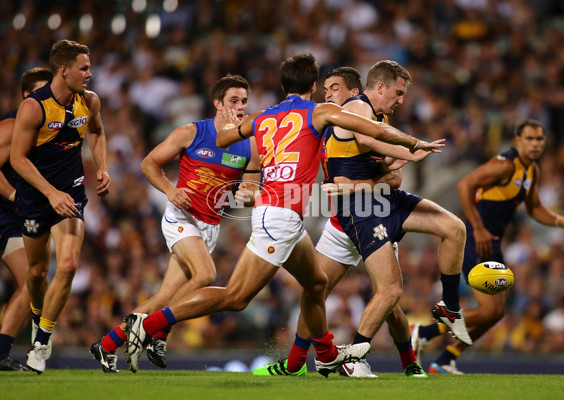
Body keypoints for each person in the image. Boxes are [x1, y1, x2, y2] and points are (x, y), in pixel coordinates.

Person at [123, 54, 442, 375]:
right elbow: (375, 130)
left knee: (316, 285)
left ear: (283, 85)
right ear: (314, 85)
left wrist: (257, 134)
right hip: (280, 215)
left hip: (282, 214)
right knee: (236, 296)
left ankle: (325, 353)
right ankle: (149, 323)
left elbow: (222, 139)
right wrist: (416, 143)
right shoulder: (320, 112)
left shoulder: (263, 117)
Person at [252, 65, 434, 378]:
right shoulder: (323, 124)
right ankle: (296, 364)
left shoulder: (373, 125)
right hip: (340, 224)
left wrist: (356, 184)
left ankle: (406, 362)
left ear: (354, 94)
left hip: (370, 215)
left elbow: (394, 177)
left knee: (388, 297)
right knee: (315, 292)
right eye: (325, 89)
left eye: (334, 88)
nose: (327, 94)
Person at [89, 74, 260, 373]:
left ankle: (105, 345)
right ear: (217, 103)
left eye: (244, 101)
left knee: (164, 298)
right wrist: (171, 189)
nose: (241, 106)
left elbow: (248, 195)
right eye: (234, 100)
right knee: (206, 274)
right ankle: (160, 333)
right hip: (181, 218)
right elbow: (148, 164)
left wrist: (246, 193)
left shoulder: (251, 146)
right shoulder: (191, 132)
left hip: (210, 226)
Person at [413, 119, 564, 374]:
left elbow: (535, 207)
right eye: (530, 139)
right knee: (490, 309)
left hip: (492, 242)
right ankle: (423, 332)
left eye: (539, 139)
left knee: (496, 312)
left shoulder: (531, 171)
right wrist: (479, 227)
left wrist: (562, 221)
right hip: (475, 239)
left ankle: (445, 358)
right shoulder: (504, 165)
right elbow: (464, 185)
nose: (535, 144)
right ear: (518, 140)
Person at [10, 40, 111, 374]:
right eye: (84, 67)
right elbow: (17, 159)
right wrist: (50, 193)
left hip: (71, 194)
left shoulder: (90, 101)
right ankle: (39, 316)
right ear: (64, 70)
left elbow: (96, 133)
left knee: (67, 265)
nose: (89, 73)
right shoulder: (35, 108)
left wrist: (103, 166)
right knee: (36, 273)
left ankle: (41, 343)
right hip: (37, 199)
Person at [0, 67, 53, 372]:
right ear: (26, 95)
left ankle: (2, 350)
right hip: (5, 214)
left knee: (33, 280)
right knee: (30, 280)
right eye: (41, 92)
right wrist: (15, 198)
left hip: (14, 218)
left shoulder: (42, 128)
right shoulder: (10, 126)